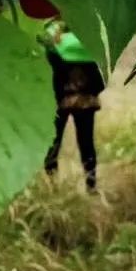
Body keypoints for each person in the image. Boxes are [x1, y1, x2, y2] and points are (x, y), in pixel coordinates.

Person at [43, 24, 105, 191]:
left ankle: (51, 182)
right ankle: (91, 184)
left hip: (60, 104)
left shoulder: (57, 57)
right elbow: (100, 84)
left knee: (53, 142)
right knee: (86, 144)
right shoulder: (88, 55)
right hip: (86, 105)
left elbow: (51, 80)